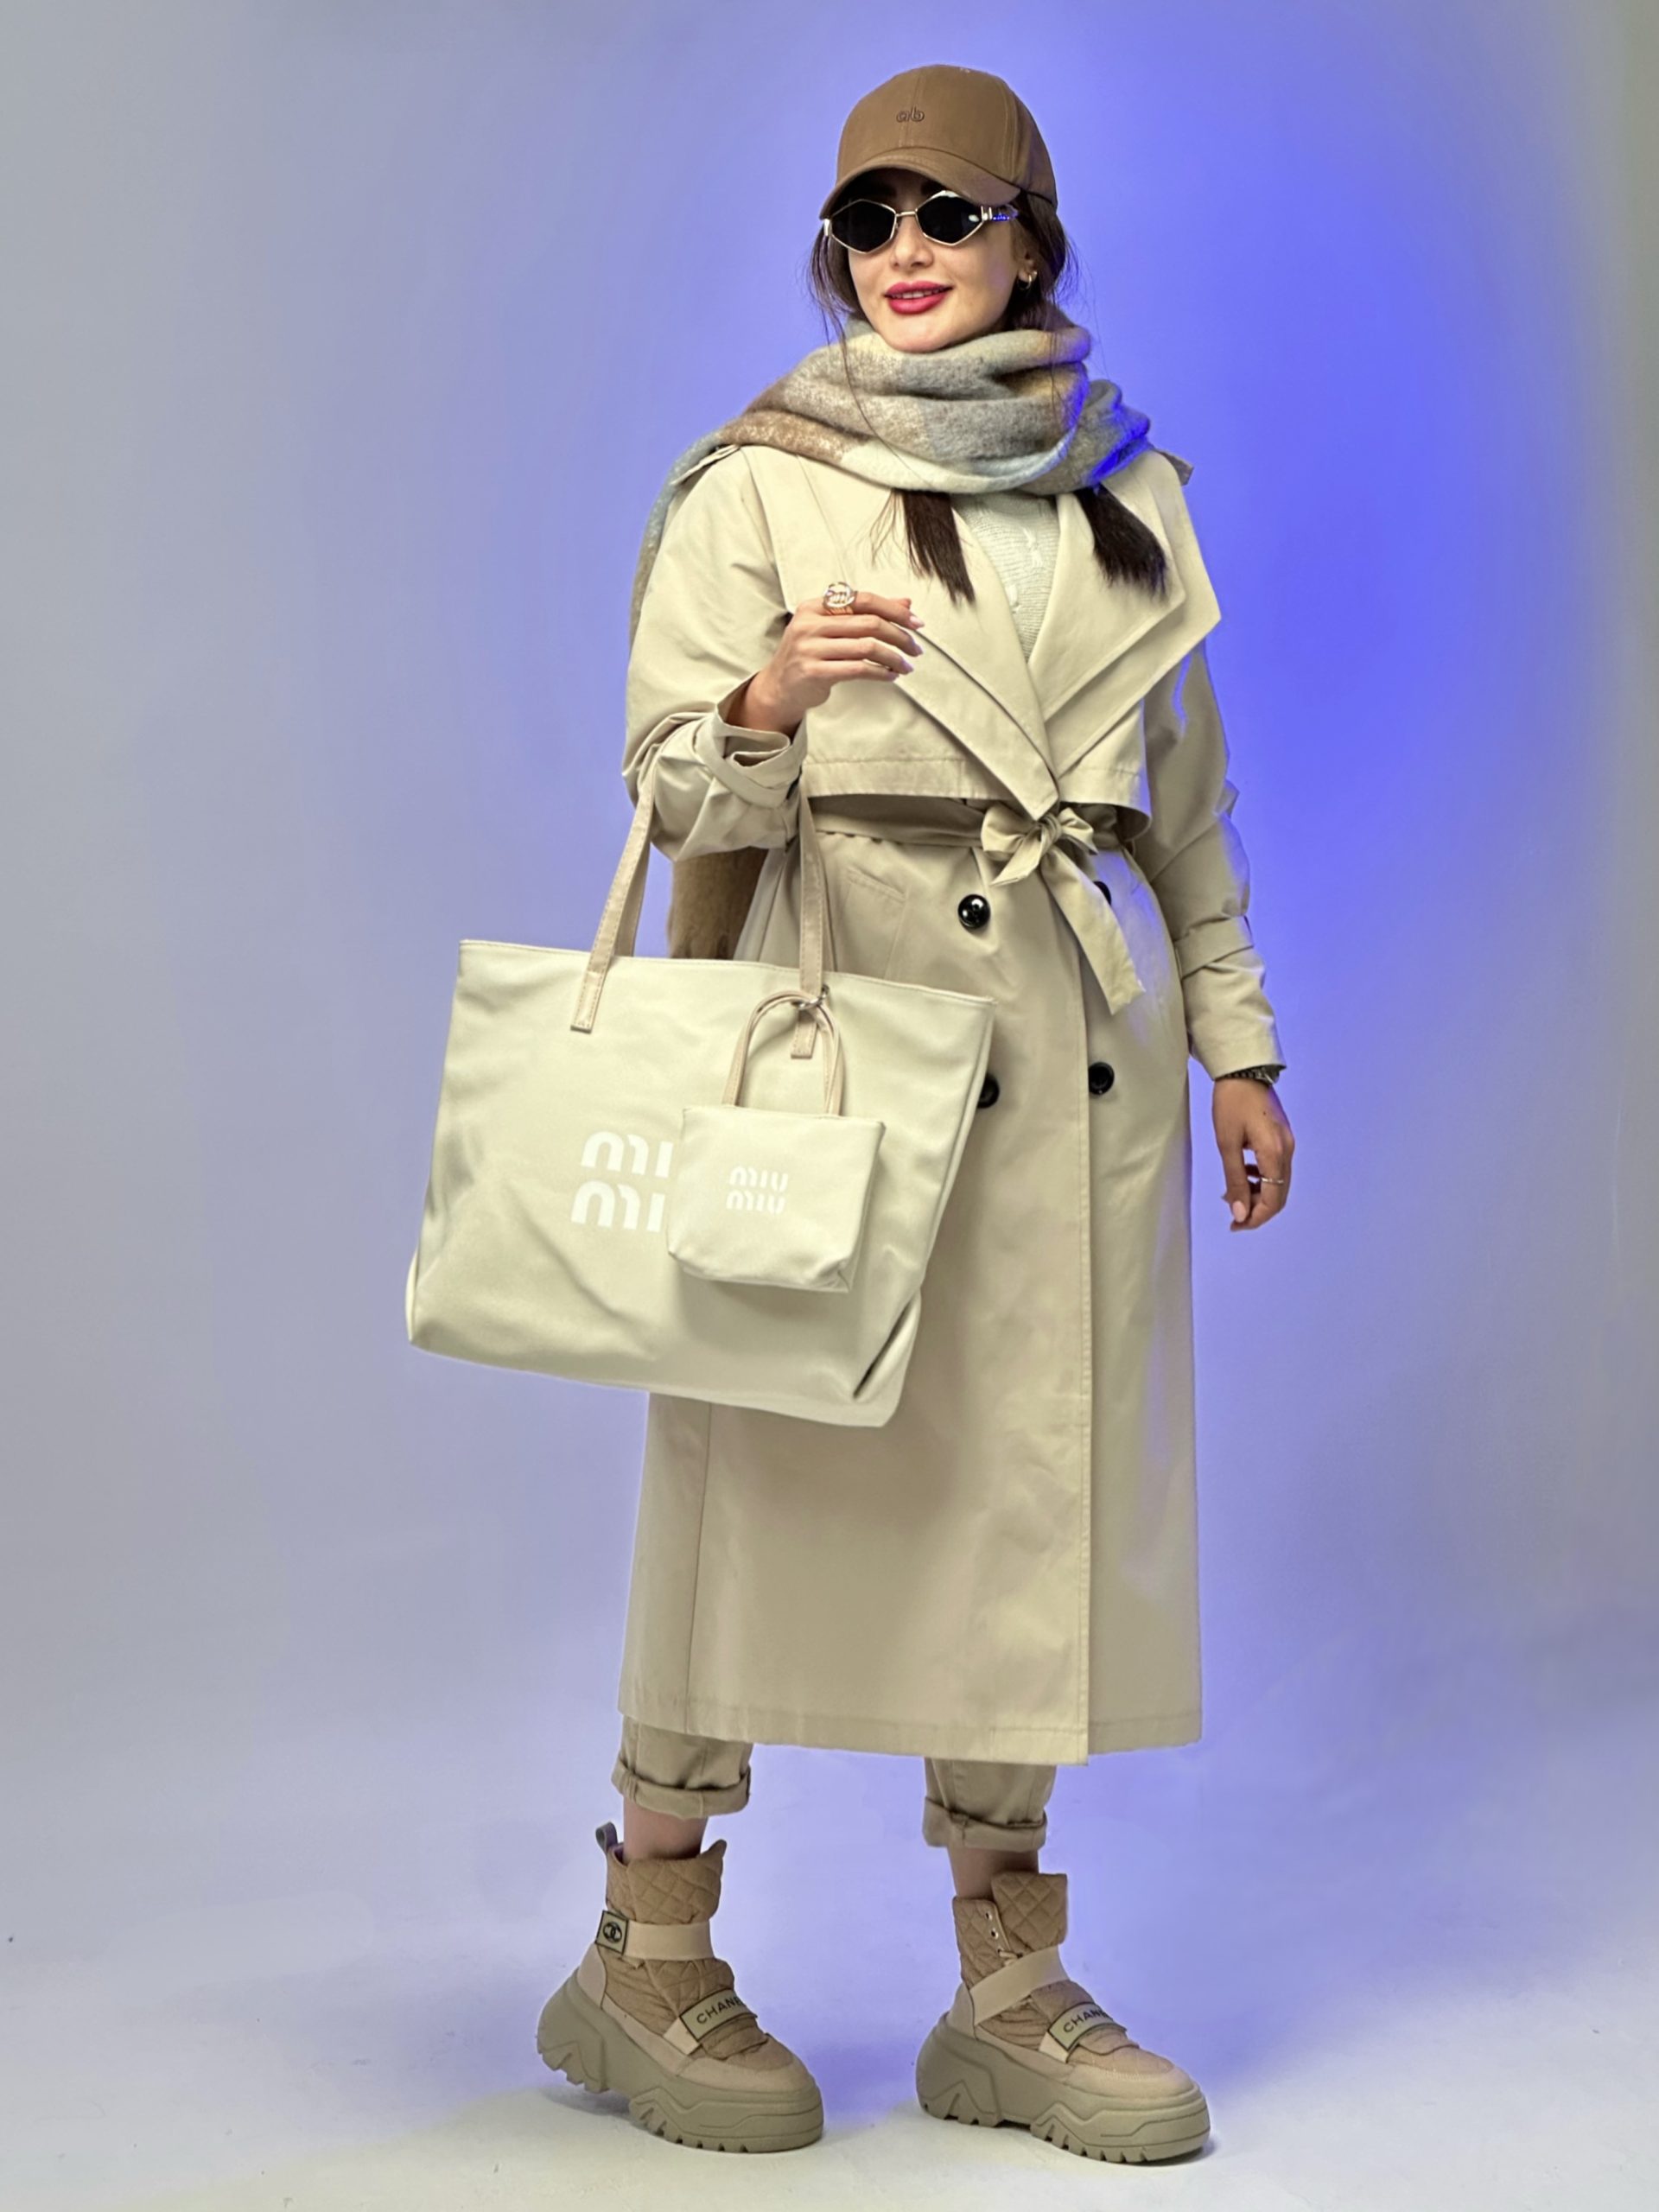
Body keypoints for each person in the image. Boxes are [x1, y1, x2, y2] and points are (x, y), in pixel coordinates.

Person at [536, 61, 1295, 2164]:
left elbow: (1188, 809)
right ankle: (646, 1944)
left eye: (949, 213)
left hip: (1069, 1051)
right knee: (750, 1474)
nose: (903, 252)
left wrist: (1241, 1047)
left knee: (1026, 1489)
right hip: (831, 1033)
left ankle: (1007, 1982)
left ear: (1031, 240)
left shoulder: (1130, 490)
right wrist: (771, 695)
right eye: (867, 218)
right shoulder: (758, 482)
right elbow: (669, 788)